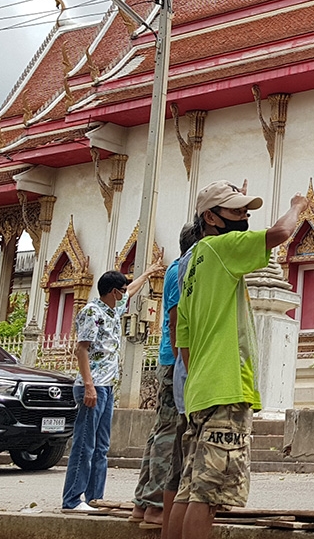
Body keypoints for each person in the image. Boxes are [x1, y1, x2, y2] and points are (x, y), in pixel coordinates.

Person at [170, 180, 307, 539]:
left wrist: (203, 368)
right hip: (226, 388)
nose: (244, 216)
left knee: (189, 488)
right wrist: (297, 206)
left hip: (199, 389)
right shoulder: (221, 247)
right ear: (210, 217)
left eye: (245, 210)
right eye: (235, 210)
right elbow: (279, 232)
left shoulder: (190, 266)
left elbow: (181, 338)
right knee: (207, 493)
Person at [62, 262, 165, 512]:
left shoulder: (113, 309)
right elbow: (81, 350)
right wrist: (89, 386)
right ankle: (72, 500)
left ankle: (95, 498)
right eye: (120, 289)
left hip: (106, 387)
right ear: (110, 291)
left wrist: (148, 273)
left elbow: (131, 291)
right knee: (85, 445)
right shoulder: (92, 312)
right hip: (92, 385)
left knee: (101, 447)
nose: (124, 292)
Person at [130, 222, 200, 530]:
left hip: (172, 361)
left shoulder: (177, 269)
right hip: (175, 362)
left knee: (162, 431)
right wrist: (183, 365)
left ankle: (143, 502)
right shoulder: (178, 272)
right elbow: (173, 321)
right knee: (171, 435)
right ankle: (156, 504)